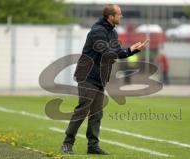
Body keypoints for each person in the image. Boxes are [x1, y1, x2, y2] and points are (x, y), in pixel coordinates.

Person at [61, 4, 148, 155]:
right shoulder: (97, 32)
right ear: (110, 16)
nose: (121, 16)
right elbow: (107, 53)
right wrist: (125, 51)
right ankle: (67, 143)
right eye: (119, 14)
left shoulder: (112, 32)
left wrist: (132, 50)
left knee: (96, 113)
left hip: (100, 77)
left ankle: (93, 146)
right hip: (87, 75)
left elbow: (117, 52)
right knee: (83, 109)